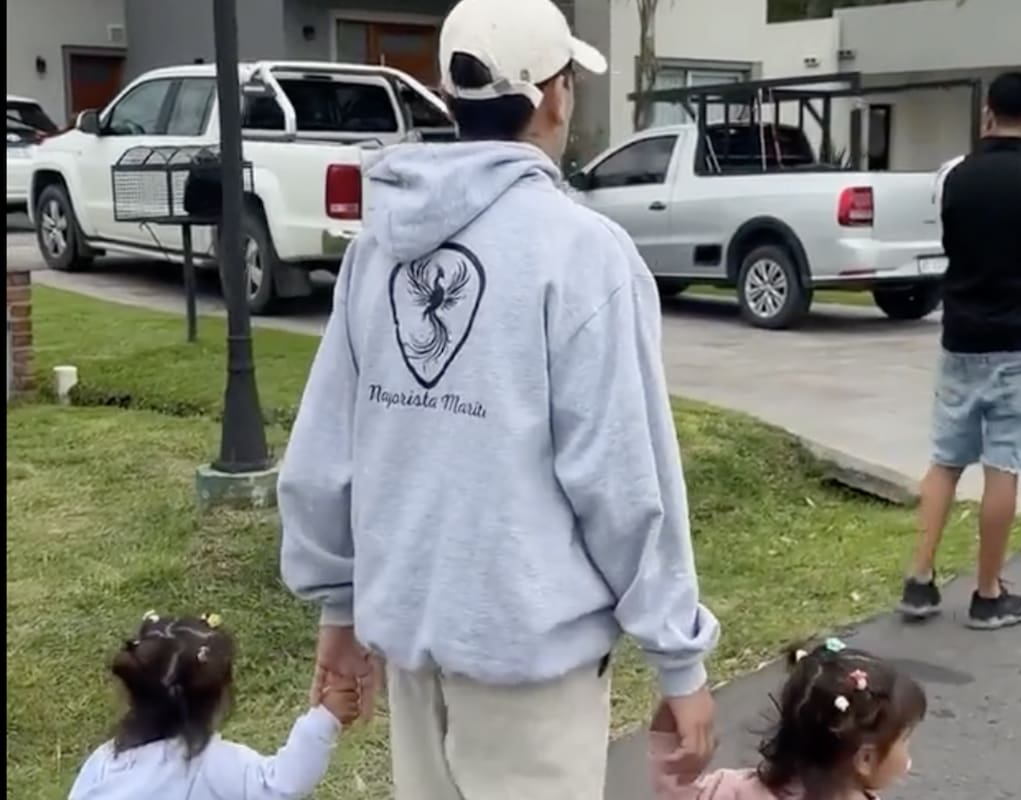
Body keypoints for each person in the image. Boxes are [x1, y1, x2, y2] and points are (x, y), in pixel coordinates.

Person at [277, 0, 720, 796]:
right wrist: (678, 659)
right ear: (554, 95)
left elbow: (324, 457)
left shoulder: (378, 248)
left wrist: (338, 611)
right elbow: (623, 479)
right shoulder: (581, 253)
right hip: (531, 667)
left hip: (414, 648)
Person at [898, 70, 1021, 630]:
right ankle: (986, 592)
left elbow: (949, 236)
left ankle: (920, 579)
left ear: (987, 115)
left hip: (963, 337)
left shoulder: (952, 175)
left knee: (946, 458)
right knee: (1004, 465)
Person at [68, 612, 359, 799]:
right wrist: (325, 718)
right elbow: (281, 784)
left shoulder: (104, 761)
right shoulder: (211, 765)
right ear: (218, 696)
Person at [651, 638, 926, 800]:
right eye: (905, 739)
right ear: (865, 759)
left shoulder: (739, 791)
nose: (908, 752)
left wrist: (671, 731)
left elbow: (682, 795)